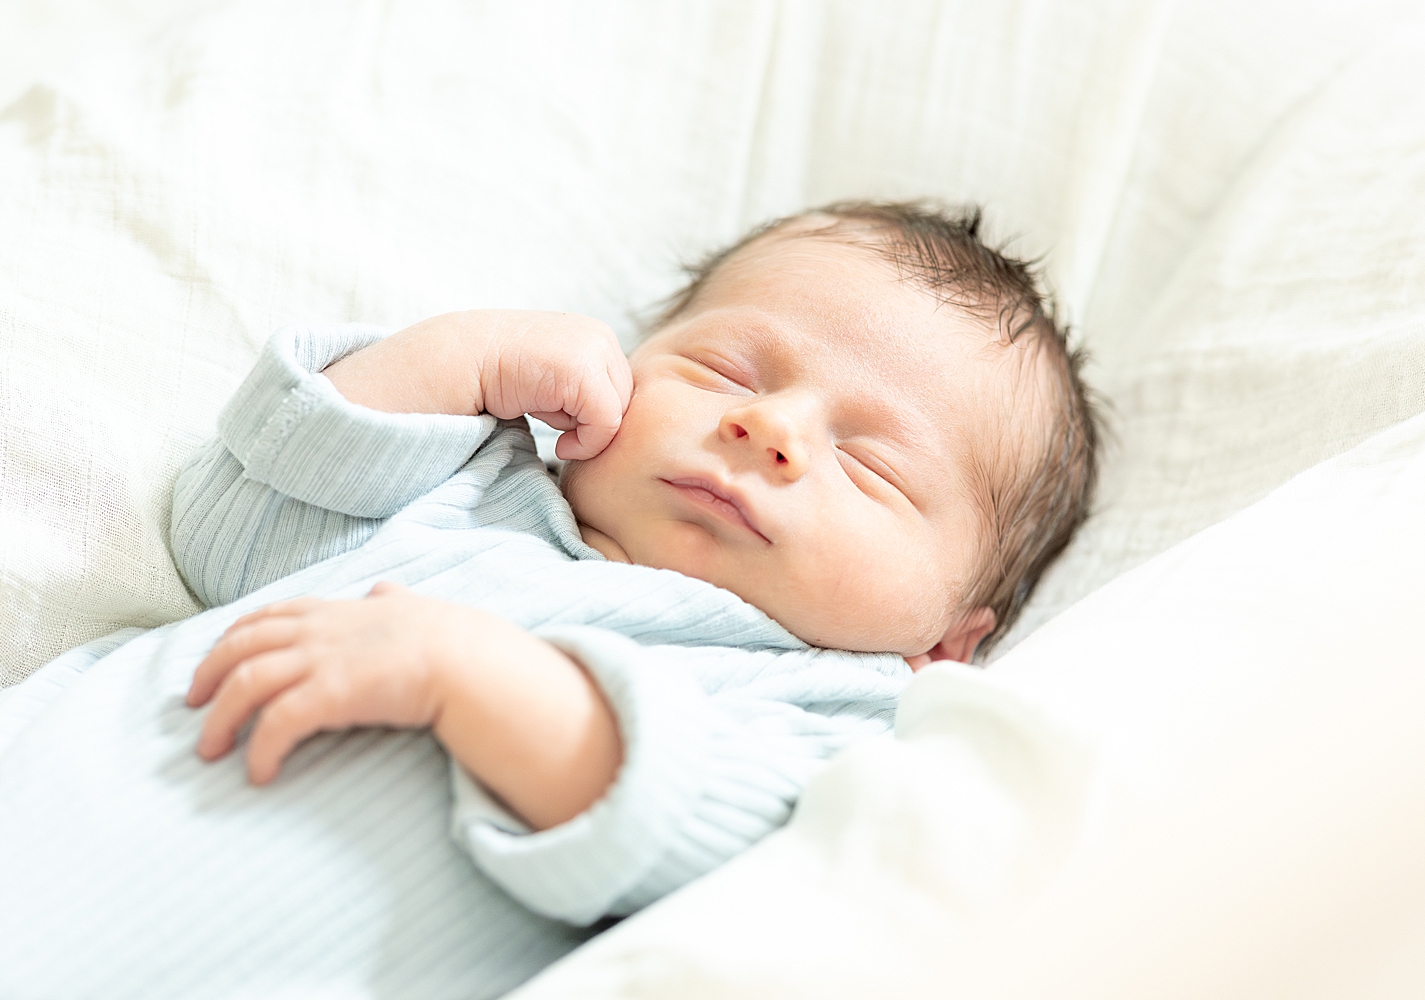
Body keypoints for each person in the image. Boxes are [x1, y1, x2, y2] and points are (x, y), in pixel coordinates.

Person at [0, 201, 1098, 998]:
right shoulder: (480, 485)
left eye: (873, 465)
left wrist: (462, 674)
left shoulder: (827, 710)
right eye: (726, 370)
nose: (772, 430)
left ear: (948, 643)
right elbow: (229, 529)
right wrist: (459, 361)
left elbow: (682, 825)